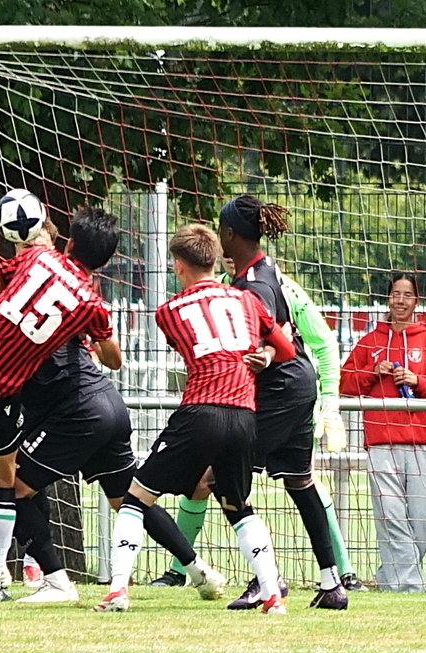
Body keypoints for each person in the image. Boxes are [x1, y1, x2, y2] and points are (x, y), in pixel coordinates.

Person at [0, 217, 226, 604]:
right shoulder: (82, 301)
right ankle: (199, 570)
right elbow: (114, 359)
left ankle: (49, 579)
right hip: (106, 403)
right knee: (128, 497)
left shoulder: (28, 275)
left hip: (74, 411)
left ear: (67, 243)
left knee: (8, 488)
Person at [95, 224, 295, 614]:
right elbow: (285, 349)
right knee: (239, 506)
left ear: (178, 265)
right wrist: (266, 353)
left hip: (201, 410)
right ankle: (272, 594)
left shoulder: (168, 311)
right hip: (244, 414)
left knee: (135, 498)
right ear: (216, 259)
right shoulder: (247, 300)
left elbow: (192, 346)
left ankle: (117, 590)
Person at [150, 255, 364, 593]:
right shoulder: (224, 287)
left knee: (219, 477)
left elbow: (322, 342)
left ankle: (288, 577)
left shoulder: (277, 287)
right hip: (249, 400)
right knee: (288, 480)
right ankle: (331, 580)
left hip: (276, 399)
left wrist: (330, 404)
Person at [218, 195, 348, 610]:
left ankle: (266, 579)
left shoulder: (251, 285)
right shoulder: (265, 269)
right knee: (300, 481)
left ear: (230, 233)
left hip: (279, 390)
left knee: (223, 476)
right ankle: (332, 584)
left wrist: (263, 356)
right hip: (300, 383)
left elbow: (269, 337)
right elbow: (282, 332)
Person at [340, 272, 426, 592]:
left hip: (422, 442)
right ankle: (410, 588)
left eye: (407, 295)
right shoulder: (369, 342)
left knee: (423, 521)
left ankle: (390, 579)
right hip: (381, 441)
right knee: (391, 518)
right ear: (388, 298)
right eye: (395, 294)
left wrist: (418, 381)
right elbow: (345, 384)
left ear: (417, 301)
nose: (400, 300)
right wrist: (372, 372)